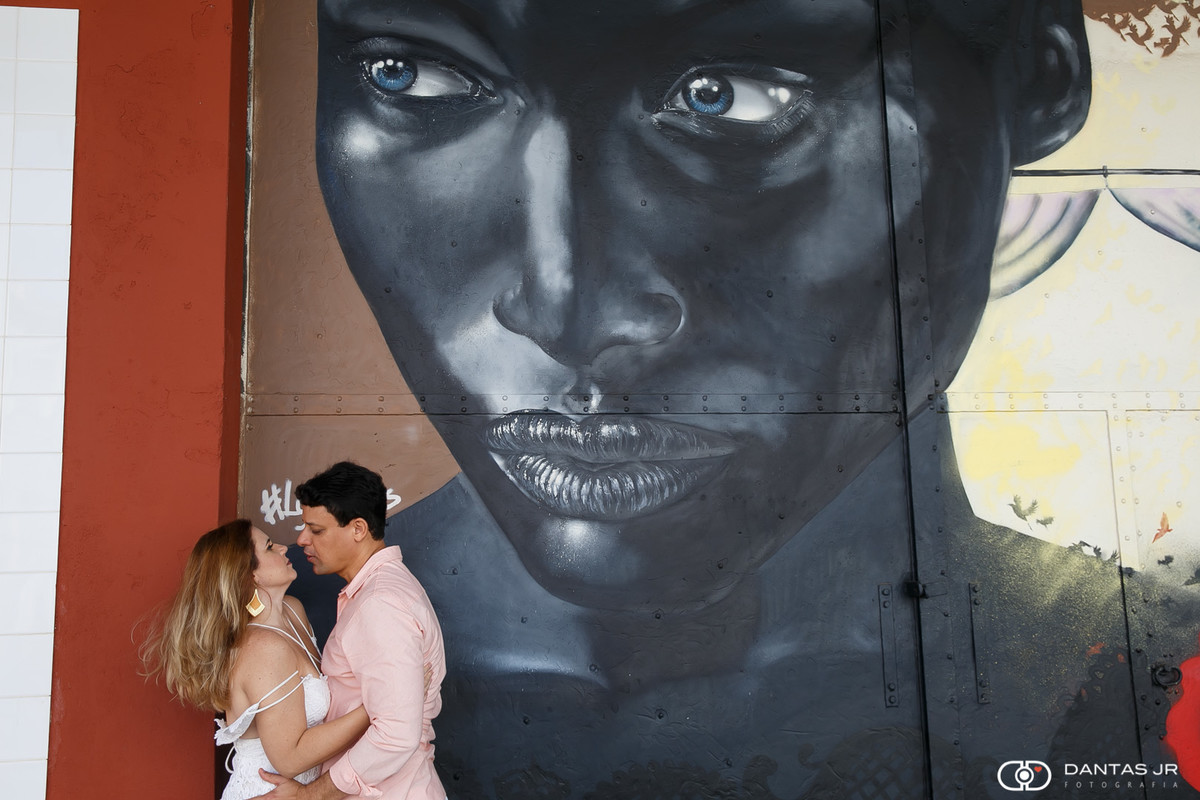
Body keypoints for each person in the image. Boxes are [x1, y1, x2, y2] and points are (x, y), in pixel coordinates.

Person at [306, 0, 1197, 796]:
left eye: (726, 95)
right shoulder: (284, 643)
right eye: (410, 75)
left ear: (1039, 75)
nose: (569, 309)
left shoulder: (1141, 673)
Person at [254, 461, 447, 800]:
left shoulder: (379, 604)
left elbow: (395, 735)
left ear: (358, 529)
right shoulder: (373, 593)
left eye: (316, 530)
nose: (301, 540)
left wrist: (307, 796)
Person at [140, 520, 370, 800]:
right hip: (266, 791)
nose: (286, 547)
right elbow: (290, 757)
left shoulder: (292, 612)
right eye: (270, 547)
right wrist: (376, 707)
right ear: (250, 575)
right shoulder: (263, 648)